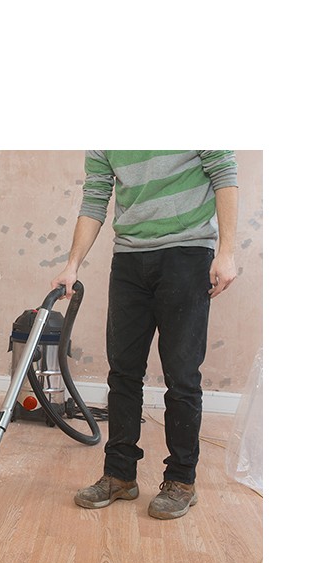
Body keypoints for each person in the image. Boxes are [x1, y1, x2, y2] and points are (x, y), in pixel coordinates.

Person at [52, 150, 239, 519]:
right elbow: (95, 198)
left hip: (187, 253)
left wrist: (227, 252)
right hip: (129, 259)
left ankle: (181, 480)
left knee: (182, 376)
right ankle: (119, 475)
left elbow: (224, 174)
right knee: (123, 372)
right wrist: (72, 264)